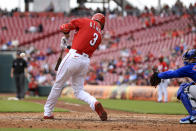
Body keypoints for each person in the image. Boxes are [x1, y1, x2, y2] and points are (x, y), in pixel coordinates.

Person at [44, 13, 107, 121]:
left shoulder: (86, 21)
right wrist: (67, 46)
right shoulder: (100, 36)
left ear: (93, 18)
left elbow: (64, 27)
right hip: (85, 62)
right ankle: (94, 102)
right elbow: (81, 48)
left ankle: (48, 112)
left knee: (58, 84)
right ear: (102, 24)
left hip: (73, 57)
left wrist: (66, 35)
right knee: (78, 91)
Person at [150, 49, 196, 124]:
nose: (186, 61)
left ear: (193, 58)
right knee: (190, 85)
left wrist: (158, 75)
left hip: (164, 80)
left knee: (184, 88)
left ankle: (194, 116)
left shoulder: (190, 67)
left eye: (188, 59)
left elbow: (172, 73)